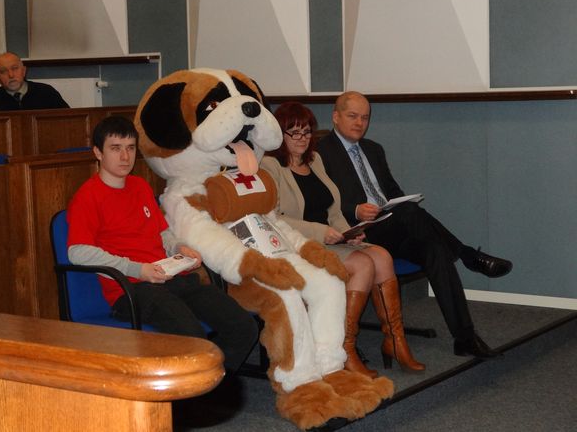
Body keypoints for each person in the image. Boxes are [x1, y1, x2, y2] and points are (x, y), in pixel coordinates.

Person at [317, 91, 513, 359]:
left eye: (365, 117)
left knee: (434, 250)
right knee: (409, 211)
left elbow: (392, 192)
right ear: (335, 116)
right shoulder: (321, 153)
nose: (360, 123)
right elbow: (321, 200)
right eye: (353, 116)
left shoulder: (374, 150)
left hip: (392, 225)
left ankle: (465, 338)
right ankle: (468, 255)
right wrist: (355, 209)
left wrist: (397, 203)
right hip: (359, 232)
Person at [67, 115, 258, 374]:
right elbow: (77, 252)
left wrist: (178, 248)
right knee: (193, 339)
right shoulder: (88, 196)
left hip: (170, 278)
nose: (125, 156)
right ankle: (198, 390)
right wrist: (137, 269)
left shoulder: (139, 186)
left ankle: (208, 388)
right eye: (115, 148)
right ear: (98, 153)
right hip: (132, 290)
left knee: (244, 327)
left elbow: (162, 232)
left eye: (130, 148)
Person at [262, 101, 425, 376]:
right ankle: (345, 347)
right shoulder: (270, 166)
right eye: (294, 132)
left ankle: (395, 340)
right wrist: (321, 231)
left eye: (307, 132)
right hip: (299, 243)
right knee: (363, 264)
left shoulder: (315, 160)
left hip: (331, 237)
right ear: (280, 135)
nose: (302, 138)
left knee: (382, 256)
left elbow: (333, 210)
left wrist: (350, 231)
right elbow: (273, 217)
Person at [0, 52, 69, 110]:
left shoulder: (47, 93)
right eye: (3, 71)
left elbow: (68, 121)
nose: (11, 75)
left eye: (15, 68)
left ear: (23, 71)